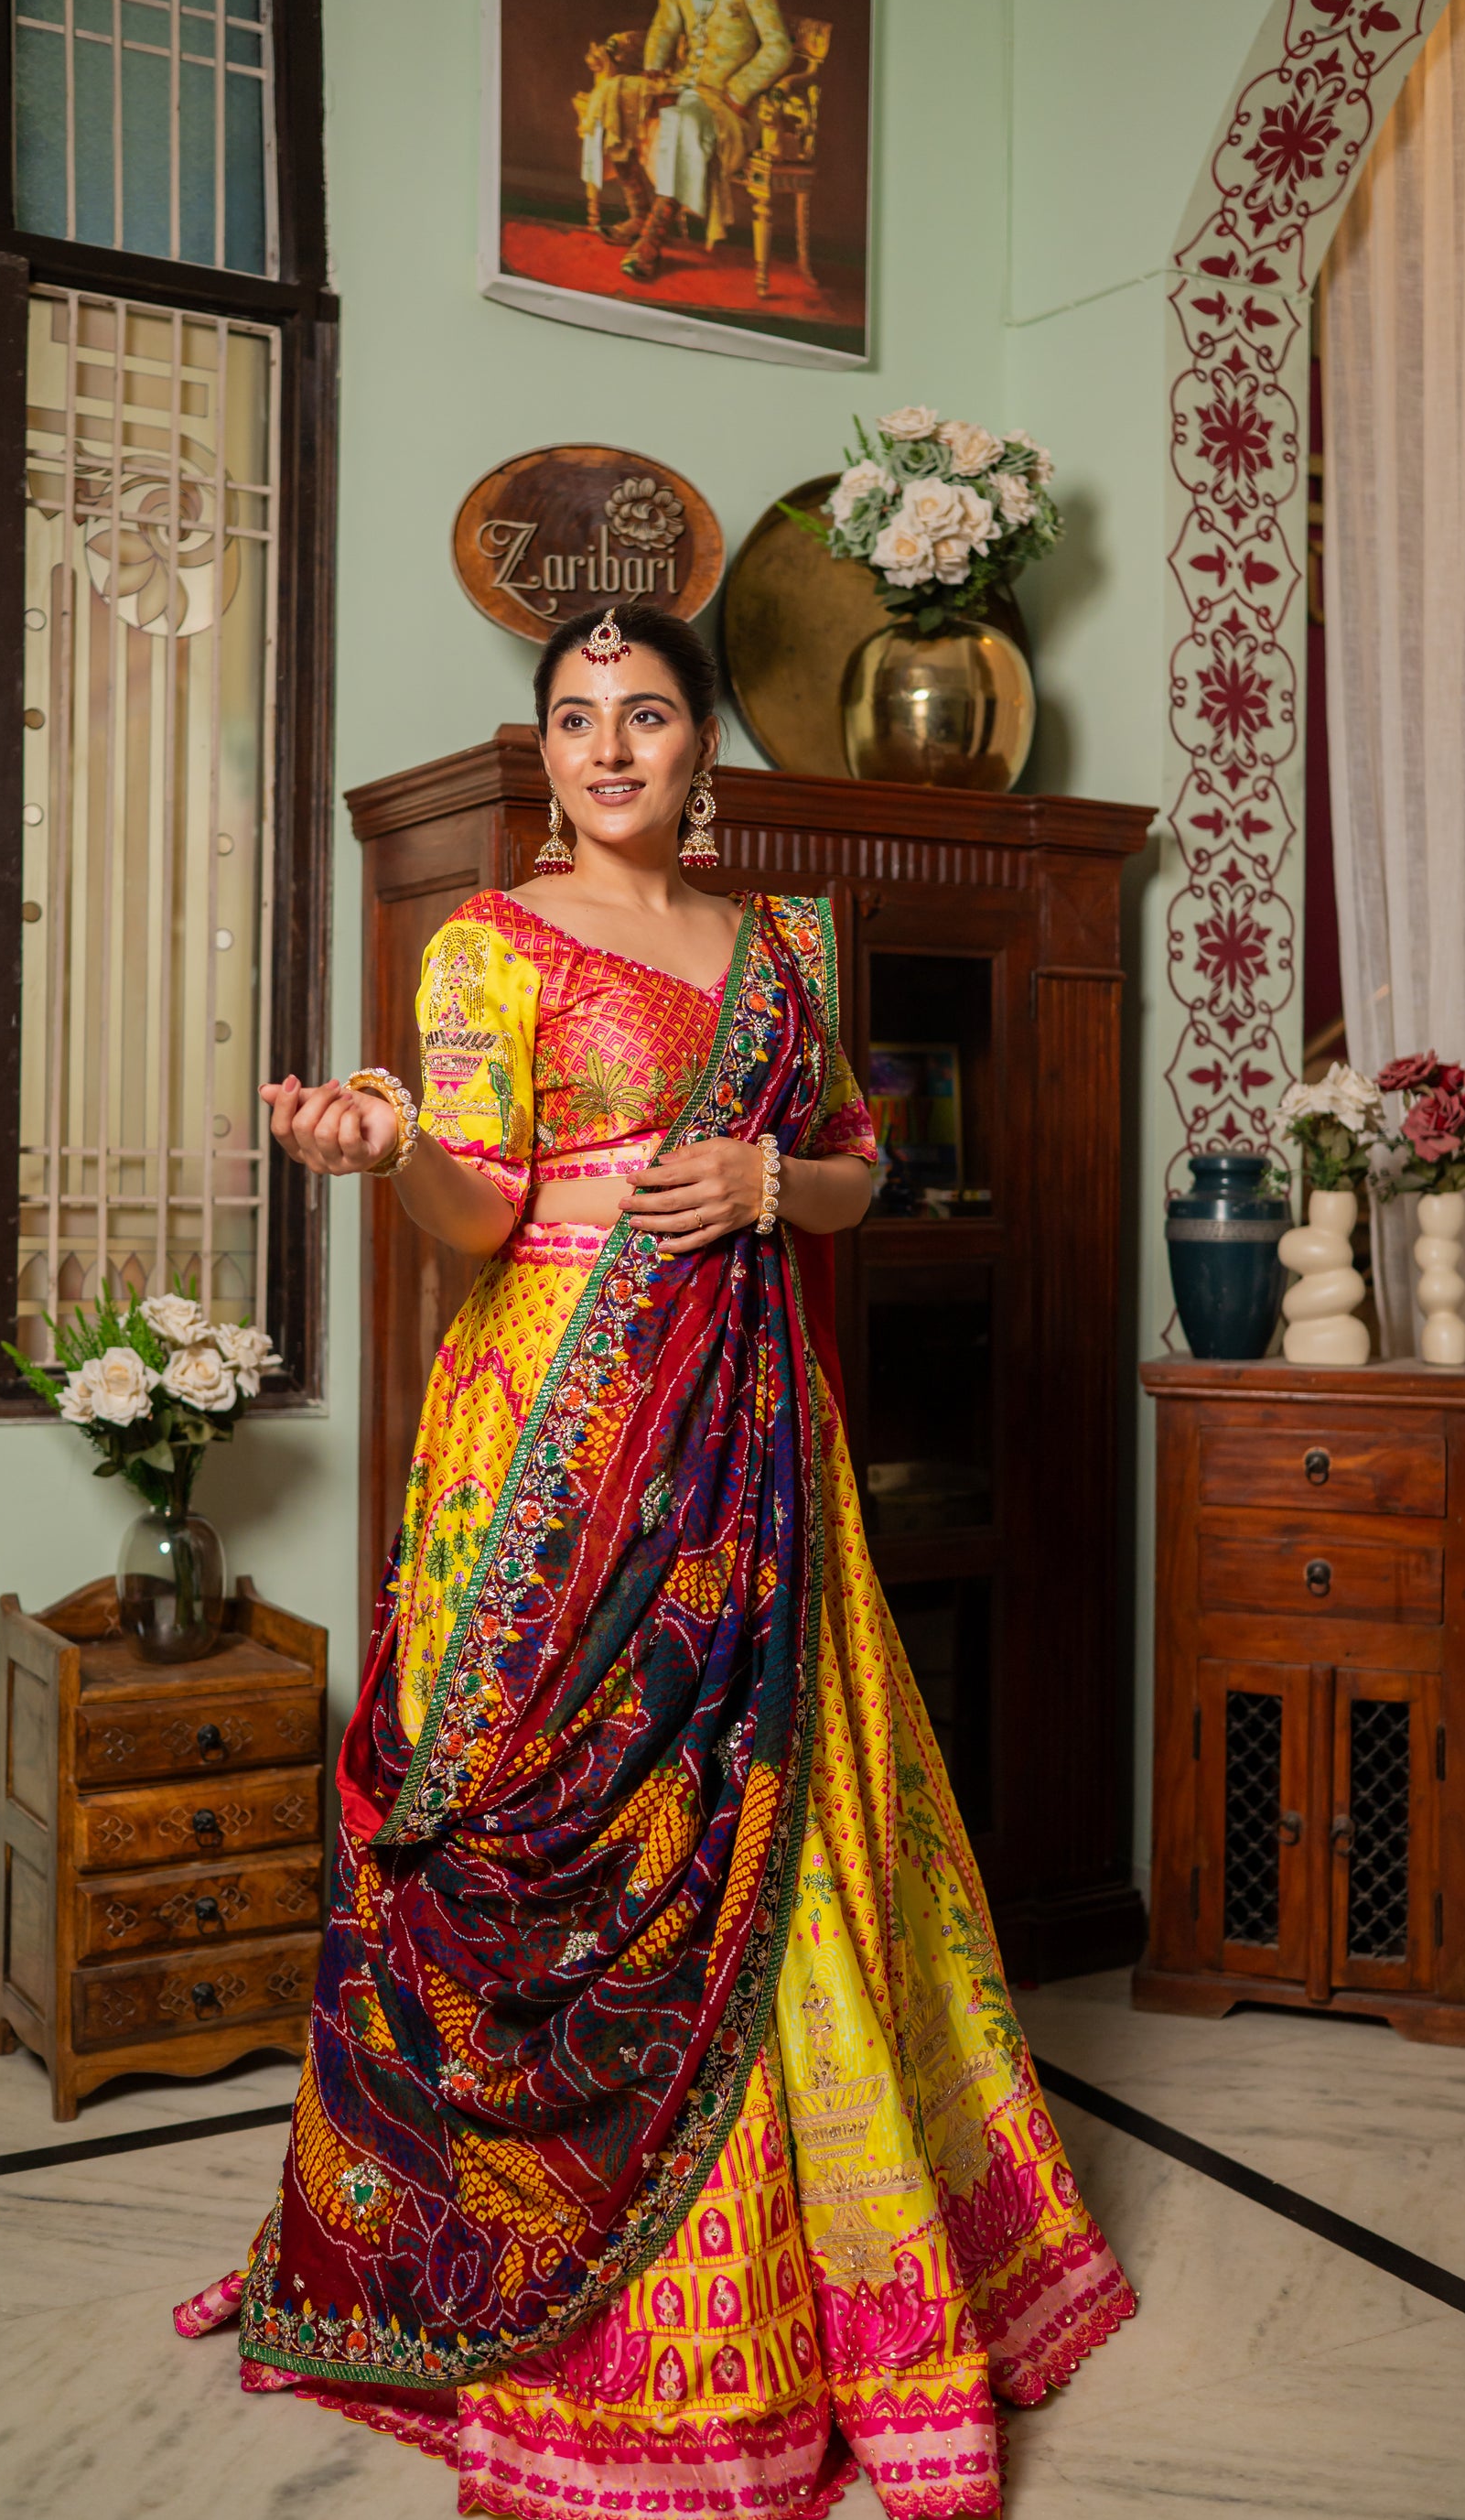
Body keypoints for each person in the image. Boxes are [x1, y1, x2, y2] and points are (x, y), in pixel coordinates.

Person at [175, 602, 1134, 2518]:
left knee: (783, 1822)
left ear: (701, 747)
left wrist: (774, 1183)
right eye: (572, 718)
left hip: (749, 1433)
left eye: (643, 715)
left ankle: (817, 2277)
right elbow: (480, 1205)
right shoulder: (485, 943)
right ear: (544, 751)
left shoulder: (780, 949)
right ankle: (514, 2261)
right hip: (554, 1442)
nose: (607, 747)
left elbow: (857, 1165)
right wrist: (380, 1149)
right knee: (530, 1827)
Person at [618, 0, 792, 283]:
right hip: (681, 86)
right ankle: (639, 211)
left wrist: (739, 91)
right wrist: (654, 71)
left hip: (726, 106)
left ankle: (653, 239)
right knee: (613, 98)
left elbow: (779, 47)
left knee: (684, 122)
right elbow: (664, 28)